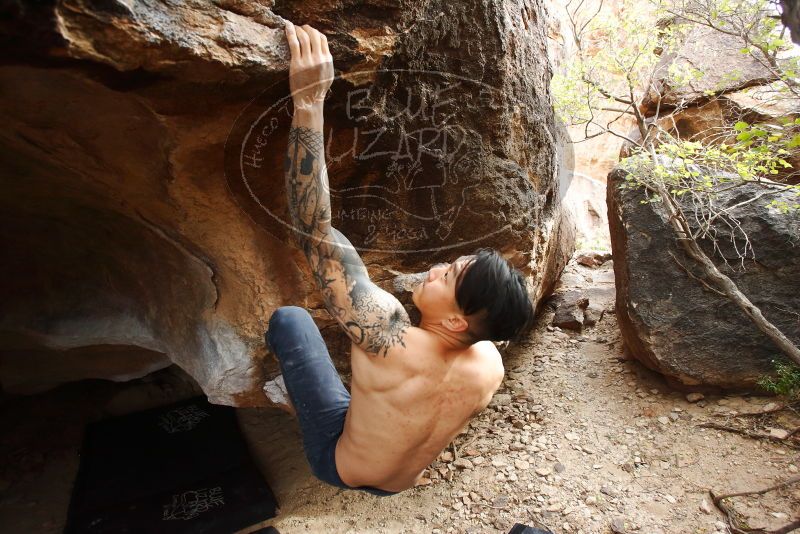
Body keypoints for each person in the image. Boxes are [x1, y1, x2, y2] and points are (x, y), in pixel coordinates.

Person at [265, 20, 535, 496]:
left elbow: (314, 230)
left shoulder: (386, 333)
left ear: (456, 321)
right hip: (398, 482)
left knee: (290, 320)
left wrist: (309, 100)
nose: (436, 268)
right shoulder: (490, 363)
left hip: (338, 463)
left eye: (448, 275)